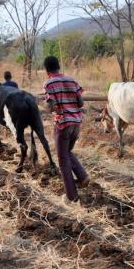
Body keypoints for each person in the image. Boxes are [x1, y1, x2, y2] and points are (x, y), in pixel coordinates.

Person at [43, 56, 89, 202]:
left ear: (46, 70)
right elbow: (81, 103)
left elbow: (51, 107)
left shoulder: (49, 83)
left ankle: (71, 196)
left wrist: (46, 105)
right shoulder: (72, 80)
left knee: (62, 159)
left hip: (63, 124)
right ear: (58, 66)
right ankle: (82, 176)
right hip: (76, 123)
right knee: (67, 152)